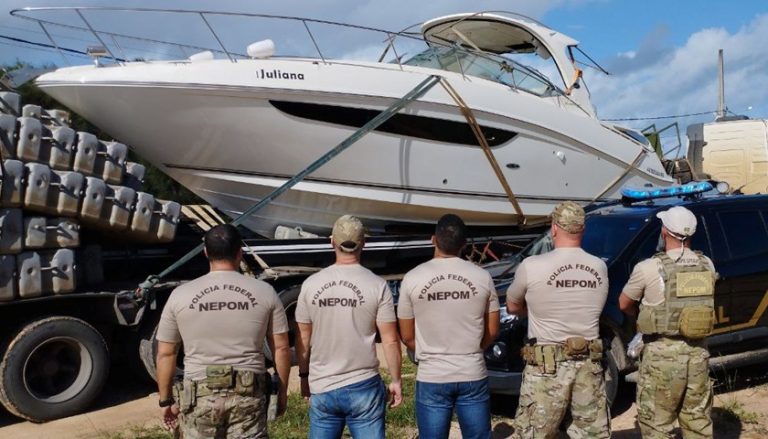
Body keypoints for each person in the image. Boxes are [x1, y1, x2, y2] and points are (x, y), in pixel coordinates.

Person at [155, 224, 292, 439]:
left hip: (198, 399)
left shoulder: (180, 295)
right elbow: (282, 348)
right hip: (248, 397)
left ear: (206, 252)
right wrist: (281, 393)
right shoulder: (265, 292)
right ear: (240, 252)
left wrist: (165, 400)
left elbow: (166, 353)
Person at [506, 201, 610, 439]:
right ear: (582, 230)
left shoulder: (531, 266)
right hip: (588, 365)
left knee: (536, 433)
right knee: (590, 434)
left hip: (546, 369)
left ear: (553, 228)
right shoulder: (599, 266)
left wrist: (535, 311)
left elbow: (512, 306)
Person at [295, 215, 402, 439]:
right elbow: (390, 339)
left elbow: (303, 338)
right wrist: (396, 381)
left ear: (332, 241)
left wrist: (304, 377)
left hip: (323, 386)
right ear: (364, 243)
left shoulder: (310, 285)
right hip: (363, 385)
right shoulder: (377, 285)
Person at [398, 213, 500, 439]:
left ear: (433, 239)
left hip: (432, 374)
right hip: (472, 370)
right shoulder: (482, 277)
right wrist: (472, 348)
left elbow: (406, 336)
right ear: (464, 244)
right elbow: (493, 330)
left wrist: (427, 350)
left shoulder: (413, 278)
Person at [619, 206, 716, 438]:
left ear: (664, 231)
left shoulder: (648, 267)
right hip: (698, 353)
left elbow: (624, 304)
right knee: (698, 421)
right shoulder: (708, 264)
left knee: (657, 424)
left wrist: (643, 315)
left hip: (662, 356)